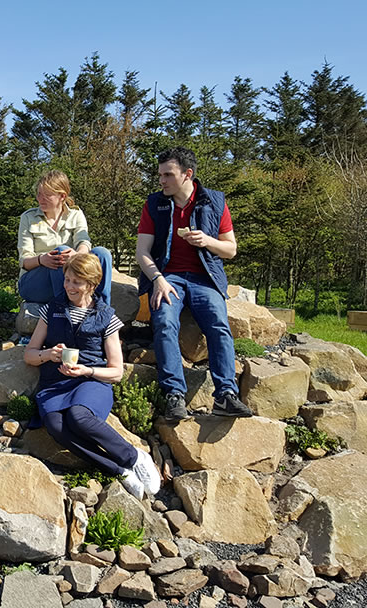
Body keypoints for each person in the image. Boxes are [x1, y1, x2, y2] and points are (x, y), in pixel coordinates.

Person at [22, 253, 160, 500]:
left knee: (78, 416)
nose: (69, 286)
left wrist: (87, 371)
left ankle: (135, 457)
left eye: (76, 282)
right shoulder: (51, 309)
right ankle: (118, 469)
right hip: (54, 384)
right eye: (66, 280)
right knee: (55, 425)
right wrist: (48, 354)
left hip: (91, 382)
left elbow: (117, 372)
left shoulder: (106, 316)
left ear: (92, 285)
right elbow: (29, 355)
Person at [135, 147, 252, 421]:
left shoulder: (214, 202)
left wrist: (207, 241)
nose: (161, 181)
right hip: (167, 277)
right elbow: (142, 251)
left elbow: (230, 249)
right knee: (163, 321)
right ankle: (174, 394)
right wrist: (158, 280)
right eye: (160, 175)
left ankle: (225, 394)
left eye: (168, 175)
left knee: (218, 323)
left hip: (204, 277)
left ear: (187, 174)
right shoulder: (154, 204)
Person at [17, 170, 115, 304]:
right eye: (39, 194)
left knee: (102, 253)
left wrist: (78, 255)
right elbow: (24, 261)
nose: (40, 199)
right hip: (35, 282)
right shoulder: (28, 218)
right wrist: (41, 260)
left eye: (46, 195)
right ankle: (64, 311)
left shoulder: (76, 214)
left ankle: (102, 309)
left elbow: (83, 240)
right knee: (60, 253)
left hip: (70, 276)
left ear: (62, 196)